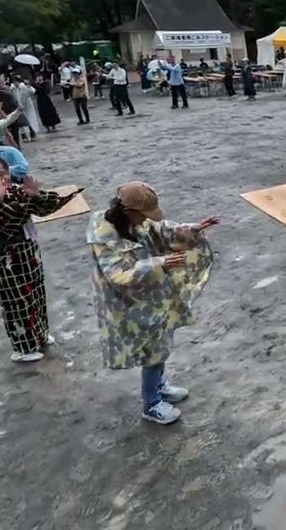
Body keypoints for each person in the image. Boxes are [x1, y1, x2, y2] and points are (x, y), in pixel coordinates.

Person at [87, 182, 217, 424]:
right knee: (152, 351)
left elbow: (161, 229)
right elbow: (117, 274)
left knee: (160, 344)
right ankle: (151, 403)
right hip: (127, 302)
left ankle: (157, 384)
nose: (146, 220)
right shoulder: (105, 235)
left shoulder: (137, 222)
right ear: (128, 211)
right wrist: (159, 264)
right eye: (143, 215)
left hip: (150, 297)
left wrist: (192, 230)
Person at [0, 156, 80, 363]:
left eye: (5, 173)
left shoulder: (15, 191)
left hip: (27, 252)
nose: (4, 178)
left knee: (36, 294)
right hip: (4, 260)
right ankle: (23, 348)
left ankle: (40, 334)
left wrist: (36, 195)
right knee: (16, 301)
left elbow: (44, 209)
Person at [12, 77, 42, 142]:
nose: (15, 83)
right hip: (18, 106)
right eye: (14, 82)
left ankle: (32, 133)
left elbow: (33, 92)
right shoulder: (13, 89)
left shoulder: (24, 87)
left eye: (16, 82)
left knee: (29, 119)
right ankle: (24, 135)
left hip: (27, 105)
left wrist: (29, 87)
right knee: (21, 121)